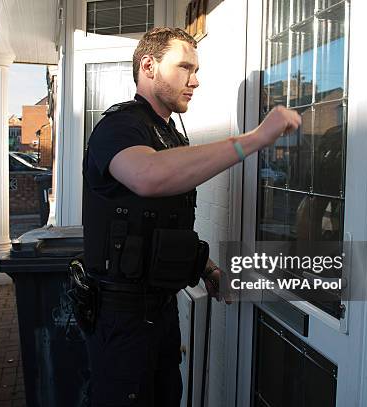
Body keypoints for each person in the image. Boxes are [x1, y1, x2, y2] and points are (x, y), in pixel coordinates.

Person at [82, 27, 301, 406]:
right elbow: (148, 177)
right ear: (148, 66)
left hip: (160, 312)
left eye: (195, 69)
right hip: (121, 317)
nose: (195, 81)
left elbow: (168, 225)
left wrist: (208, 268)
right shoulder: (118, 127)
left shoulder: (170, 136)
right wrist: (256, 138)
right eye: (185, 67)